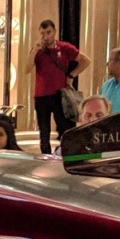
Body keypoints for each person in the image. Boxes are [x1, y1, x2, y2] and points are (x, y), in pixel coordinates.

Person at [28, 19, 90, 156]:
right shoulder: (38, 51)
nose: (46, 36)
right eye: (43, 33)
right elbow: (26, 69)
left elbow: (86, 60)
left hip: (59, 95)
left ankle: (64, 154)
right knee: (44, 132)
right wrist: (35, 50)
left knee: (64, 127)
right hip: (41, 96)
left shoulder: (64, 48)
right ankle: (46, 157)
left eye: (48, 32)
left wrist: (72, 75)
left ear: (54, 32)